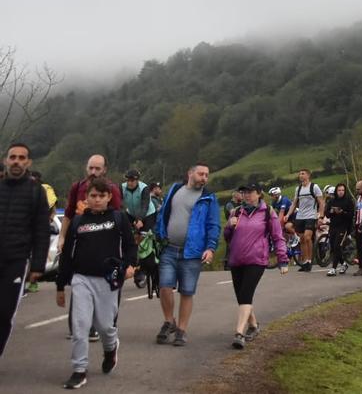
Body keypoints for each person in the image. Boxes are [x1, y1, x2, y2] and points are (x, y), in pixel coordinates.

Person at [56, 176, 136, 389]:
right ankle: (79, 370)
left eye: (102, 196)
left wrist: (129, 265)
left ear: (109, 197)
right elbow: (67, 257)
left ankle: (110, 348)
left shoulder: (118, 219)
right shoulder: (78, 222)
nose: (97, 199)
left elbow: (130, 246)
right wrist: (60, 286)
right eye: (93, 195)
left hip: (108, 280)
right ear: (86, 198)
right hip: (81, 279)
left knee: (104, 326)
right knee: (80, 325)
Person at [154, 163, 221, 347]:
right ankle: (169, 321)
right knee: (165, 287)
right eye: (201, 174)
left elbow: (213, 225)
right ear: (190, 173)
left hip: (192, 253)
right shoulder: (175, 190)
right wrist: (159, 232)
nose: (204, 178)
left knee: (186, 291)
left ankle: (182, 330)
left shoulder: (208, 198)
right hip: (169, 248)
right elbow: (163, 214)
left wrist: (210, 248)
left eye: (207, 175)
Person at [0, 142, 51, 359]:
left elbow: (41, 230)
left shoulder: (36, 192)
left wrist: (38, 265)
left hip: (16, 261)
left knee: (4, 313)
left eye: (22, 158)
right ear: (5, 161)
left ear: (28, 162)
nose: (17, 161)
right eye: (13, 157)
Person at [223, 184, 288, 349]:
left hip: (256, 260)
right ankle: (253, 326)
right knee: (241, 297)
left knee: (245, 294)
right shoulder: (236, 212)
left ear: (259, 194)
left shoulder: (267, 212)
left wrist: (283, 260)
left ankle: (239, 333)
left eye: (250, 192)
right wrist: (229, 226)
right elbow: (227, 237)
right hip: (236, 260)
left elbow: (277, 236)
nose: (246, 195)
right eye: (244, 192)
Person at [283, 169, 324, 272]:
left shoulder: (314, 187)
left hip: (311, 216)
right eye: (299, 174)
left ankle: (310, 261)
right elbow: (294, 203)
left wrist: (321, 216)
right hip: (300, 216)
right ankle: (305, 262)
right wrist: (288, 215)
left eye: (303, 174)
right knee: (301, 240)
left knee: (307, 237)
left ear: (308, 175)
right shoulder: (299, 188)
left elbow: (322, 202)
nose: (300, 176)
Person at [324, 183, 354, 277]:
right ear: (336, 191)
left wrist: (342, 212)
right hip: (333, 226)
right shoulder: (332, 201)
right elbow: (327, 213)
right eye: (339, 190)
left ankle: (333, 268)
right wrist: (333, 211)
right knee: (333, 247)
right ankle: (344, 264)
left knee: (337, 246)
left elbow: (351, 215)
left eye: (342, 190)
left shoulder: (348, 201)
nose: (341, 192)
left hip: (344, 227)